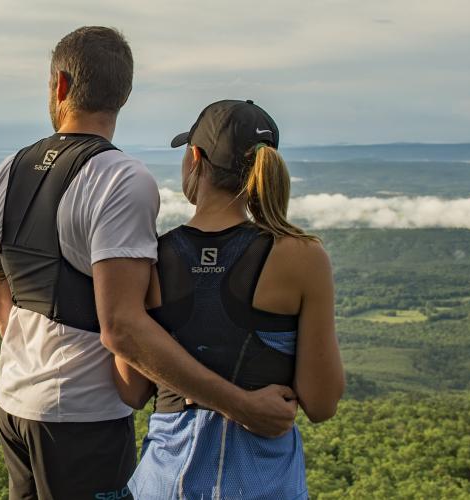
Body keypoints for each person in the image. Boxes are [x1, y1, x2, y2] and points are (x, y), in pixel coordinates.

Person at [0, 27, 303, 500]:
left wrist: (33, 363)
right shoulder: (120, 179)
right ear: (124, 94)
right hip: (83, 417)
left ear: (60, 86)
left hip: (13, 403)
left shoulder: (2, 173)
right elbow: (123, 329)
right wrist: (242, 406)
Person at [113, 99, 345, 500]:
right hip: (264, 484)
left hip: (167, 482)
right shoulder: (301, 257)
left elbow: (131, 391)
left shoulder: (152, 257)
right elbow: (322, 403)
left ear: (194, 159)